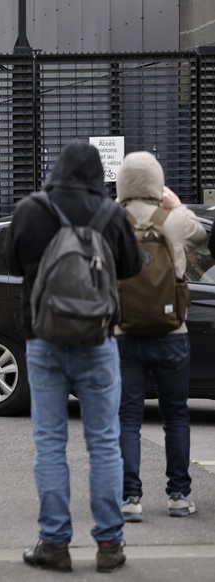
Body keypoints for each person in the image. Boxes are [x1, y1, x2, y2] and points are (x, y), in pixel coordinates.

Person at [3, 141, 142, 573]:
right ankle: (109, 545)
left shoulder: (31, 210)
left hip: (43, 340)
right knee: (103, 443)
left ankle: (55, 544)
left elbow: (11, 262)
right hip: (98, 341)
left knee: (50, 444)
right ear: (99, 174)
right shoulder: (110, 214)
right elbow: (132, 266)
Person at [114, 151, 207, 522]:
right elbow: (204, 238)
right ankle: (179, 496)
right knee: (176, 417)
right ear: (157, 182)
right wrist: (179, 205)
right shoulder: (176, 220)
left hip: (123, 334)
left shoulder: (112, 221)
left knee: (127, 419)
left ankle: (130, 499)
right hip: (173, 334)